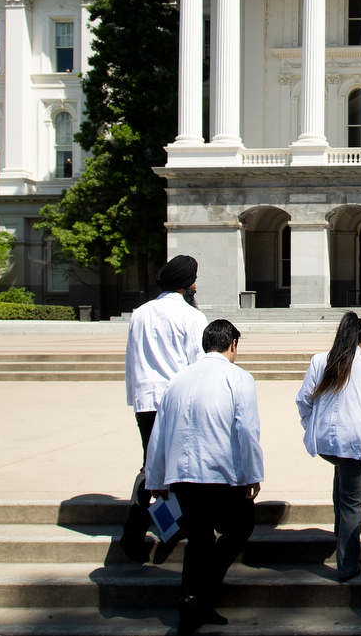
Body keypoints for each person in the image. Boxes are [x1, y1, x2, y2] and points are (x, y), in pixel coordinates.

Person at [145, 319, 263, 635]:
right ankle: (197, 594)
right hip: (220, 472)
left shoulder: (178, 379)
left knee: (199, 538)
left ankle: (190, 607)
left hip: (182, 475)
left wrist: (155, 480)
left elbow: (159, 432)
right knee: (241, 526)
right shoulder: (239, 378)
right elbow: (247, 430)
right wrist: (253, 474)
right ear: (233, 344)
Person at [295, 312, 361, 582]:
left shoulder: (321, 361)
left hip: (328, 443)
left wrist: (312, 426)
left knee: (342, 485)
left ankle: (338, 534)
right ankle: (347, 564)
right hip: (355, 441)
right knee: (353, 502)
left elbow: (303, 400)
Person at [120, 255, 207, 561]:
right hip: (177, 401)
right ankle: (175, 523)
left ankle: (136, 532)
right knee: (181, 466)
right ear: (187, 284)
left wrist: (136, 398)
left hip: (146, 401)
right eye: (194, 279)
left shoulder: (140, 313)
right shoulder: (192, 317)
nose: (196, 284)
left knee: (150, 464)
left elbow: (132, 359)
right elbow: (200, 365)